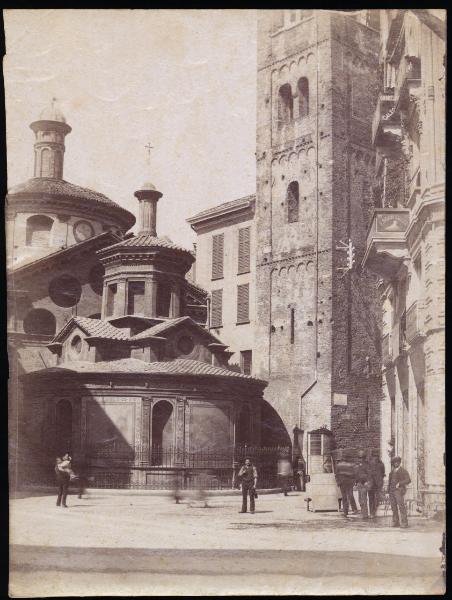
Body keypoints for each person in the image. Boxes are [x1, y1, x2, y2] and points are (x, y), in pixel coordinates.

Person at [387, 456, 411, 528]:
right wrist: (388, 492)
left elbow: (408, 480)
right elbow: (389, 482)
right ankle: (395, 522)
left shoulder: (403, 471)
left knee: (401, 506)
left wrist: (400, 483)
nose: (395, 463)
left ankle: (404, 523)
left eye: (397, 462)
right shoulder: (391, 472)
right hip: (391, 491)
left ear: (399, 463)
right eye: (394, 462)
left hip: (399, 491)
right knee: (393, 507)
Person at [335, 453, 358, 518]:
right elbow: (354, 474)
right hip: (349, 483)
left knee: (344, 497)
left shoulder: (338, 465)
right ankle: (354, 509)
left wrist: (338, 482)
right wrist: (354, 482)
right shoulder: (352, 465)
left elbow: (336, 475)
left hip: (342, 483)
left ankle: (345, 512)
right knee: (350, 495)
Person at [355, 450, 373, 520]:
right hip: (359, 483)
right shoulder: (358, 465)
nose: (360, 459)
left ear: (364, 458)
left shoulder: (367, 465)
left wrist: (367, 481)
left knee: (363, 499)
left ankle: (365, 515)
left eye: (362, 457)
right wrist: (356, 482)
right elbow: (356, 474)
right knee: (360, 500)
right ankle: (363, 513)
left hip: (365, 483)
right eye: (359, 458)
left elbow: (369, 474)